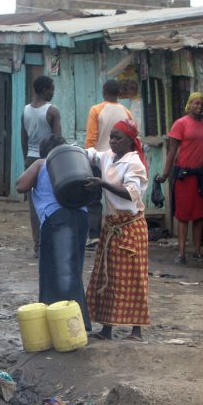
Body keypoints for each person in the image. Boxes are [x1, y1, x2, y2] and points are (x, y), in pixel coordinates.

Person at [16, 135, 91, 331]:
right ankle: (76, 321)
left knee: (57, 273)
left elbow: (21, 185)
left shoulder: (43, 162)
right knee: (73, 270)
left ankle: (65, 326)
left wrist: (38, 165)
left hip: (58, 219)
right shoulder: (76, 160)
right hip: (81, 216)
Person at [84, 119, 150, 341]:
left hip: (130, 226)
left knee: (133, 277)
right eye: (111, 136)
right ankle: (107, 328)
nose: (112, 141)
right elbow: (89, 154)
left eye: (117, 137)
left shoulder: (134, 164)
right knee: (109, 276)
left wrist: (102, 184)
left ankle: (136, 330)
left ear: (130, 142)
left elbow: (130, 193)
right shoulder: (108, 157)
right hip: (112, 224)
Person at [155, 92, 203, 264]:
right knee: (183, 216)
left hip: (201, 175)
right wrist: (165, 175)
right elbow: (172, 152)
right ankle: (181, 253)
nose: (199, 107)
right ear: (189, 105)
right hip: (184, 176)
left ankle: (197, 251)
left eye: (201, 104)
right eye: (196, 104)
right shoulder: (180, 124)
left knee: (199, 215)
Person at [85, 79, 133, 241]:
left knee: (93, 199)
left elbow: (91, 139)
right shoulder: (126, 112)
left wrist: (90, 161)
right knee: (118, 197)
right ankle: (119, 233)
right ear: (118, 94)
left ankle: (94, 235)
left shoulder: (96, 110)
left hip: (99, 160)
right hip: (120, 161)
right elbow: (132, 138)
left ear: (104, 92)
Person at [21, 76, 62, 257]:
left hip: (31, 159)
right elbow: (57, 140)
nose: (53, 92)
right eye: (52, 89)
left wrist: (26, 162)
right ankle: (52, 243)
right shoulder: (52, 111)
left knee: (35, 206)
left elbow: (24, 139)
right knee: (54, 202)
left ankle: (38, 246)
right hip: (49, 161)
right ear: (45, 89)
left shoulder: (26, 110)